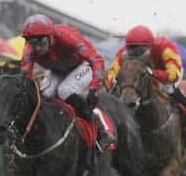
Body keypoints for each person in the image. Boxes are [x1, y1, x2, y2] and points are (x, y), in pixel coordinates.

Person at [20, 13, 115, 151]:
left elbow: (97, 60)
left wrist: (94, 89)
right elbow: (25, 78)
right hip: (57, 71)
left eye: (41, 42)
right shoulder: (29, 50)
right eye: (33, 43)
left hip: (82, 67)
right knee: (45, 95)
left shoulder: (67, 37)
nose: (38, 48)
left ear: (51, 37)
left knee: (65, 90)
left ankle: (101, 130)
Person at [105, 25, 186, 113]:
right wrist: (112, 83)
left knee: (169, 90)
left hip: (167, 74)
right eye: (132, 49)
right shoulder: (123, 52)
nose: (136, 53)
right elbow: (112, 73)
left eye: (140, 50)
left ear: (150, 46)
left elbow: (174, 74)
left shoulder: (165, 46)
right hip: (143, 73)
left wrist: (153, 73)